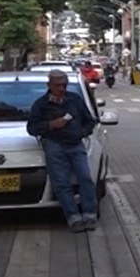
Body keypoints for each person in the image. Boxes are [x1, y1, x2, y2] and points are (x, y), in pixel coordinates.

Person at [25, 70, 99, 233]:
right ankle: (73, 217)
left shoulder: (75, 100)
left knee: (85, 178)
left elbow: (89, 121)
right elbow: (32, 128)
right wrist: (51, 125)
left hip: (75, 144)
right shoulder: (41, 104)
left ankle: (89, 214)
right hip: (54, 145)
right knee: (61, 182)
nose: (62, 88)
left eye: (64, 85)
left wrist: (81, 132)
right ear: (49, 85)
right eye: (58, 85)